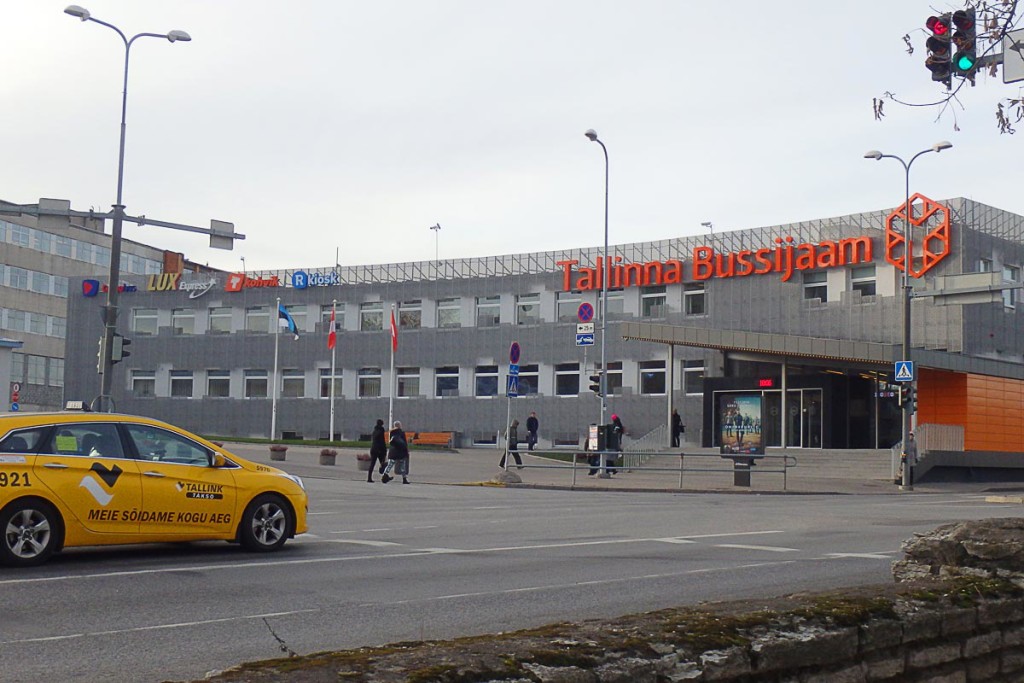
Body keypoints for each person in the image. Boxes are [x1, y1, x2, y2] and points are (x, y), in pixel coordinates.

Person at [367, 419, 388, 483]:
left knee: (372, 464)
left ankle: (369, 478)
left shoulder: (374, 431)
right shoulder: (381, 431)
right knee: (383, 463)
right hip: (379, 450)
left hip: (373, 449)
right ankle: (385, 477)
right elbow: (382, 441)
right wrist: (384, 450)